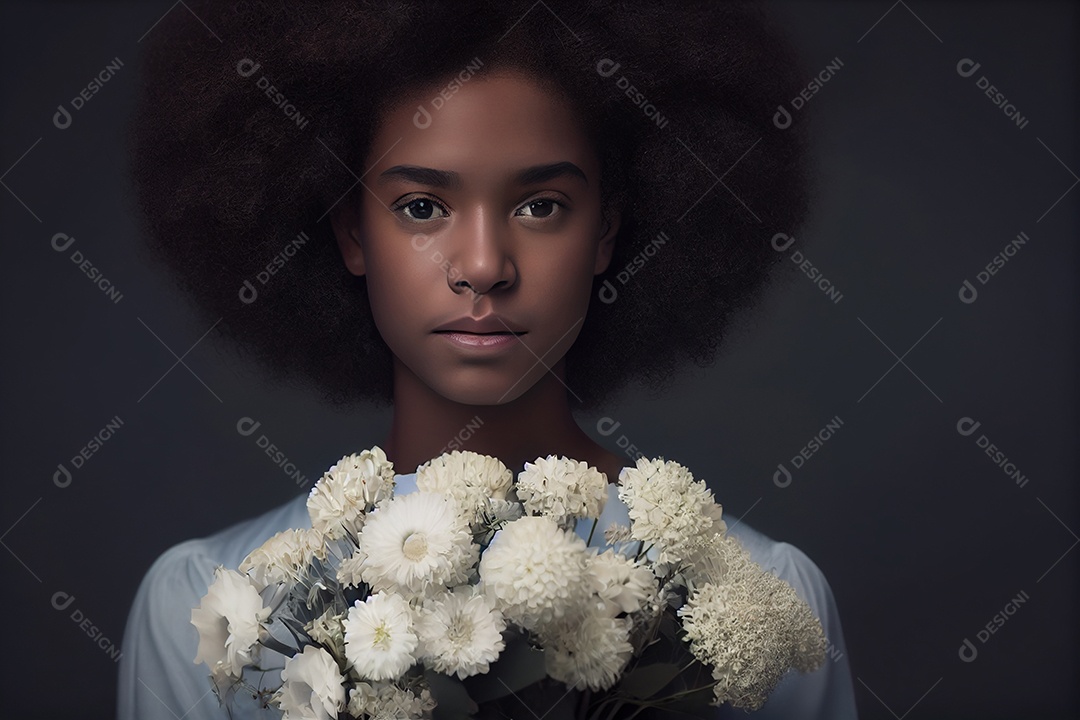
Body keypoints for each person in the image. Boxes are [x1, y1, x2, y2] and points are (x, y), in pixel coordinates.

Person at [118, 1, 857, 718]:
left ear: (606, 234)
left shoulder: (760, 606)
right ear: (351, 235)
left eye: (540, 206)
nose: (482, 266)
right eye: (421, 207)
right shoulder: (205, 611)